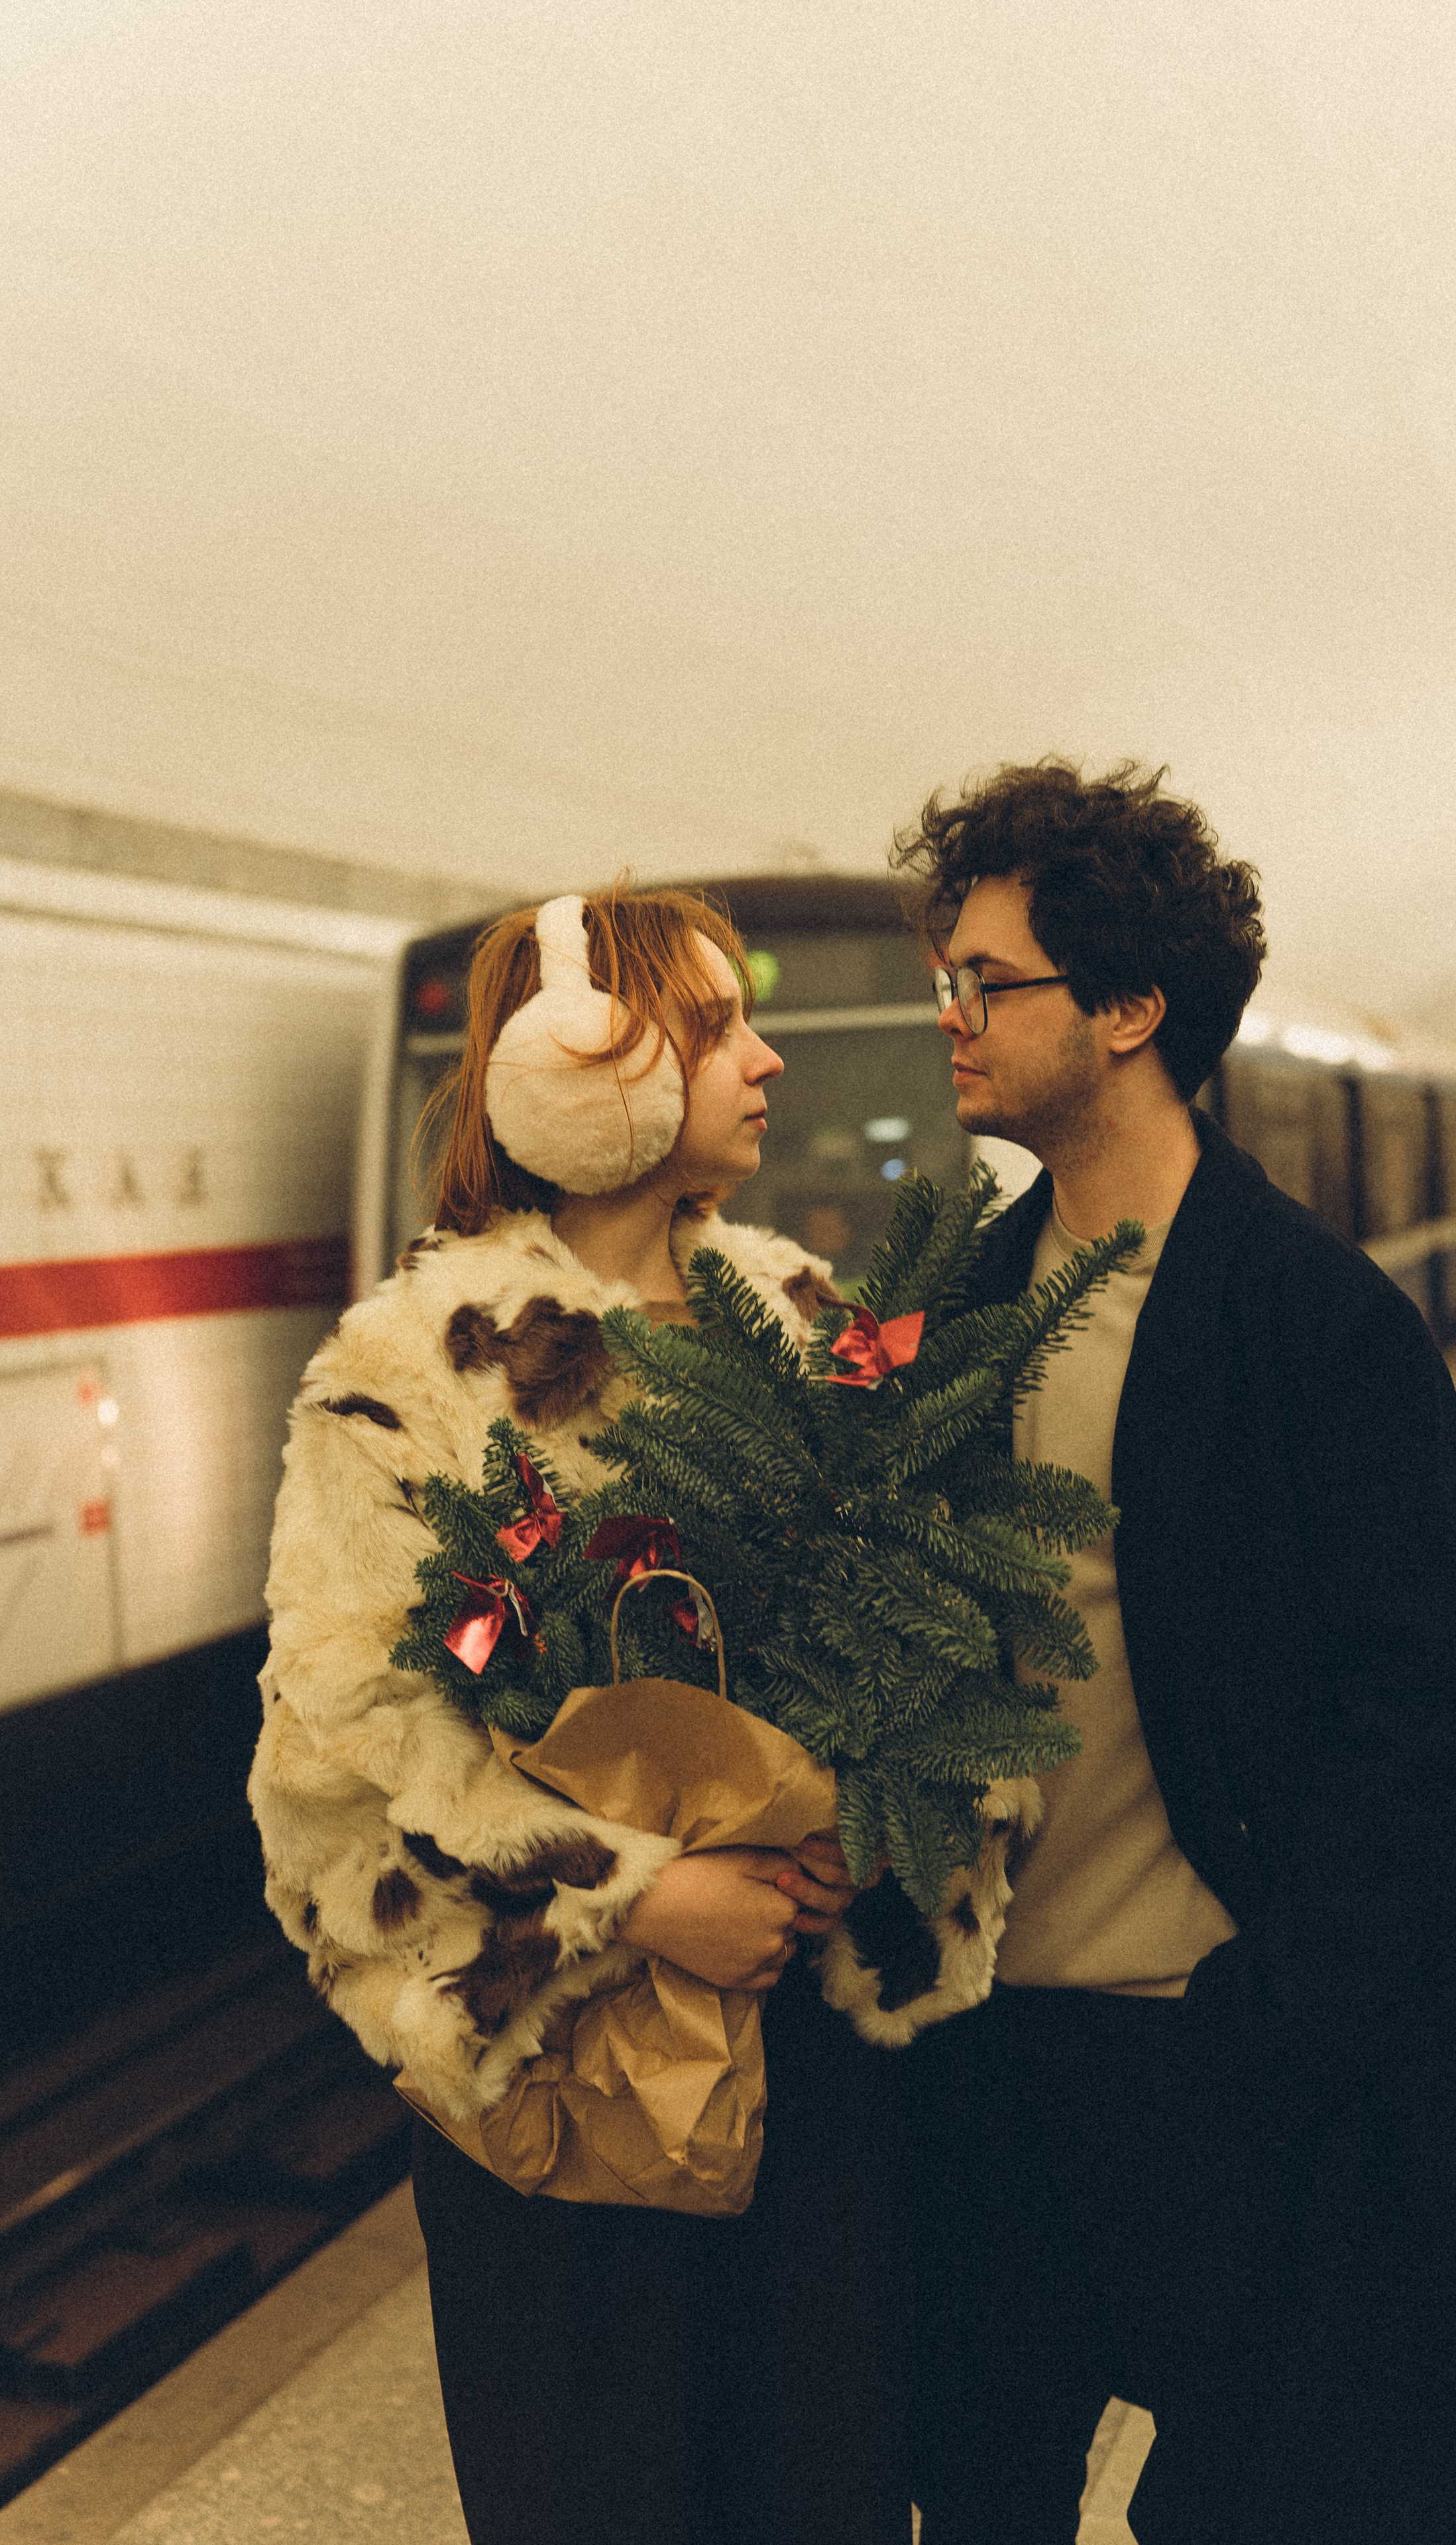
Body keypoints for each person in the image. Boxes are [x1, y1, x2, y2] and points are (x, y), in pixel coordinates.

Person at [251, 885, 994, 2545]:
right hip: (554, 2077)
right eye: (718, 1025)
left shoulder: (806, 1317)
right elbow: (344, 1745)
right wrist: (644, 1893)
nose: (767, 1058)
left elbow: (939, 1621)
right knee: (601, 2494)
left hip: (810, 2050)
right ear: (580, 1070)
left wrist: (849, 1846)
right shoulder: (410, 1364)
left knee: (825, 2489)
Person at [882, 761, 1456, 2544]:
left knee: (1282, 2495)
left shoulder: (1318, 1321)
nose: (949, 1016)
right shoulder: (960, 1311)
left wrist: (1278, 2006)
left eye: (989, 981)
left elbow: (1433, 1713)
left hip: (1224, 2055)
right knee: (983, 2491)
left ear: (1128, 1007)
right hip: (993, 2064)